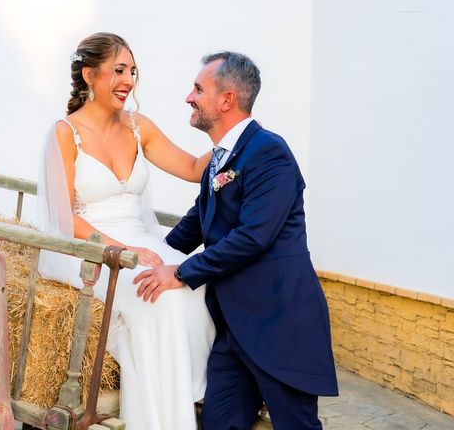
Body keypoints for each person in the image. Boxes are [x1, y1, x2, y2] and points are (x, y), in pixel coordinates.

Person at [135, 52, 339, 429]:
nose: (188, 97)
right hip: (233, 329)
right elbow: (197, 221)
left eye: (198, 89)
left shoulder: (268, 152)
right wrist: (148, 258)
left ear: (227, 99)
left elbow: (253, 236)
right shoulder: (220, 158)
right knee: (220, 423)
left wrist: (179, 273)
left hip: (279, 323)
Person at [37, 32, 215, 430]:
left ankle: (193, 401)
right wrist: (123, 250)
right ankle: (160, 419)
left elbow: (190, 168)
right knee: (156, 299)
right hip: (87, 247)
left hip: (140, 239)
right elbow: (66, 219)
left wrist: (234, 140)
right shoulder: (65, 134)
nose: (129, 80)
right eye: (119, 70)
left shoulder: (139, 127)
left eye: (132, 71)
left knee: (197, 283)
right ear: (89, 75)